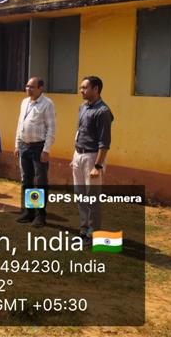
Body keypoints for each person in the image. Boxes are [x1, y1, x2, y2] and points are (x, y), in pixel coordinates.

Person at [72, 76, 113, 246]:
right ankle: (84, 230)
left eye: (85, 88)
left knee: (92, 198)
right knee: (80, 196)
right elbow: (80, 132)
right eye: (81, 87)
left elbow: (105, 142)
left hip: (92, 157)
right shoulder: (83, 107)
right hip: (78, 155)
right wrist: (74, 156)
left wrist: (97, 165)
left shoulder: (103, 112)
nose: (81, 90)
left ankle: (94, 234)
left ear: (96, 89)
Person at [14, 77, 56, 227]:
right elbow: (20, 123)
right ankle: (29, 212)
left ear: (40, 88)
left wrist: (46, 150)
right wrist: (17, 144)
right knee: (26, 180)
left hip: (39, 148)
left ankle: (40, 215)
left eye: (32, 87)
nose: (28, 89)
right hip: (24, 146)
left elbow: (51, 128)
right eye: (27, 86)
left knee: (40, 181)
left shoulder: (47, 104)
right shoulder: (24, 102)